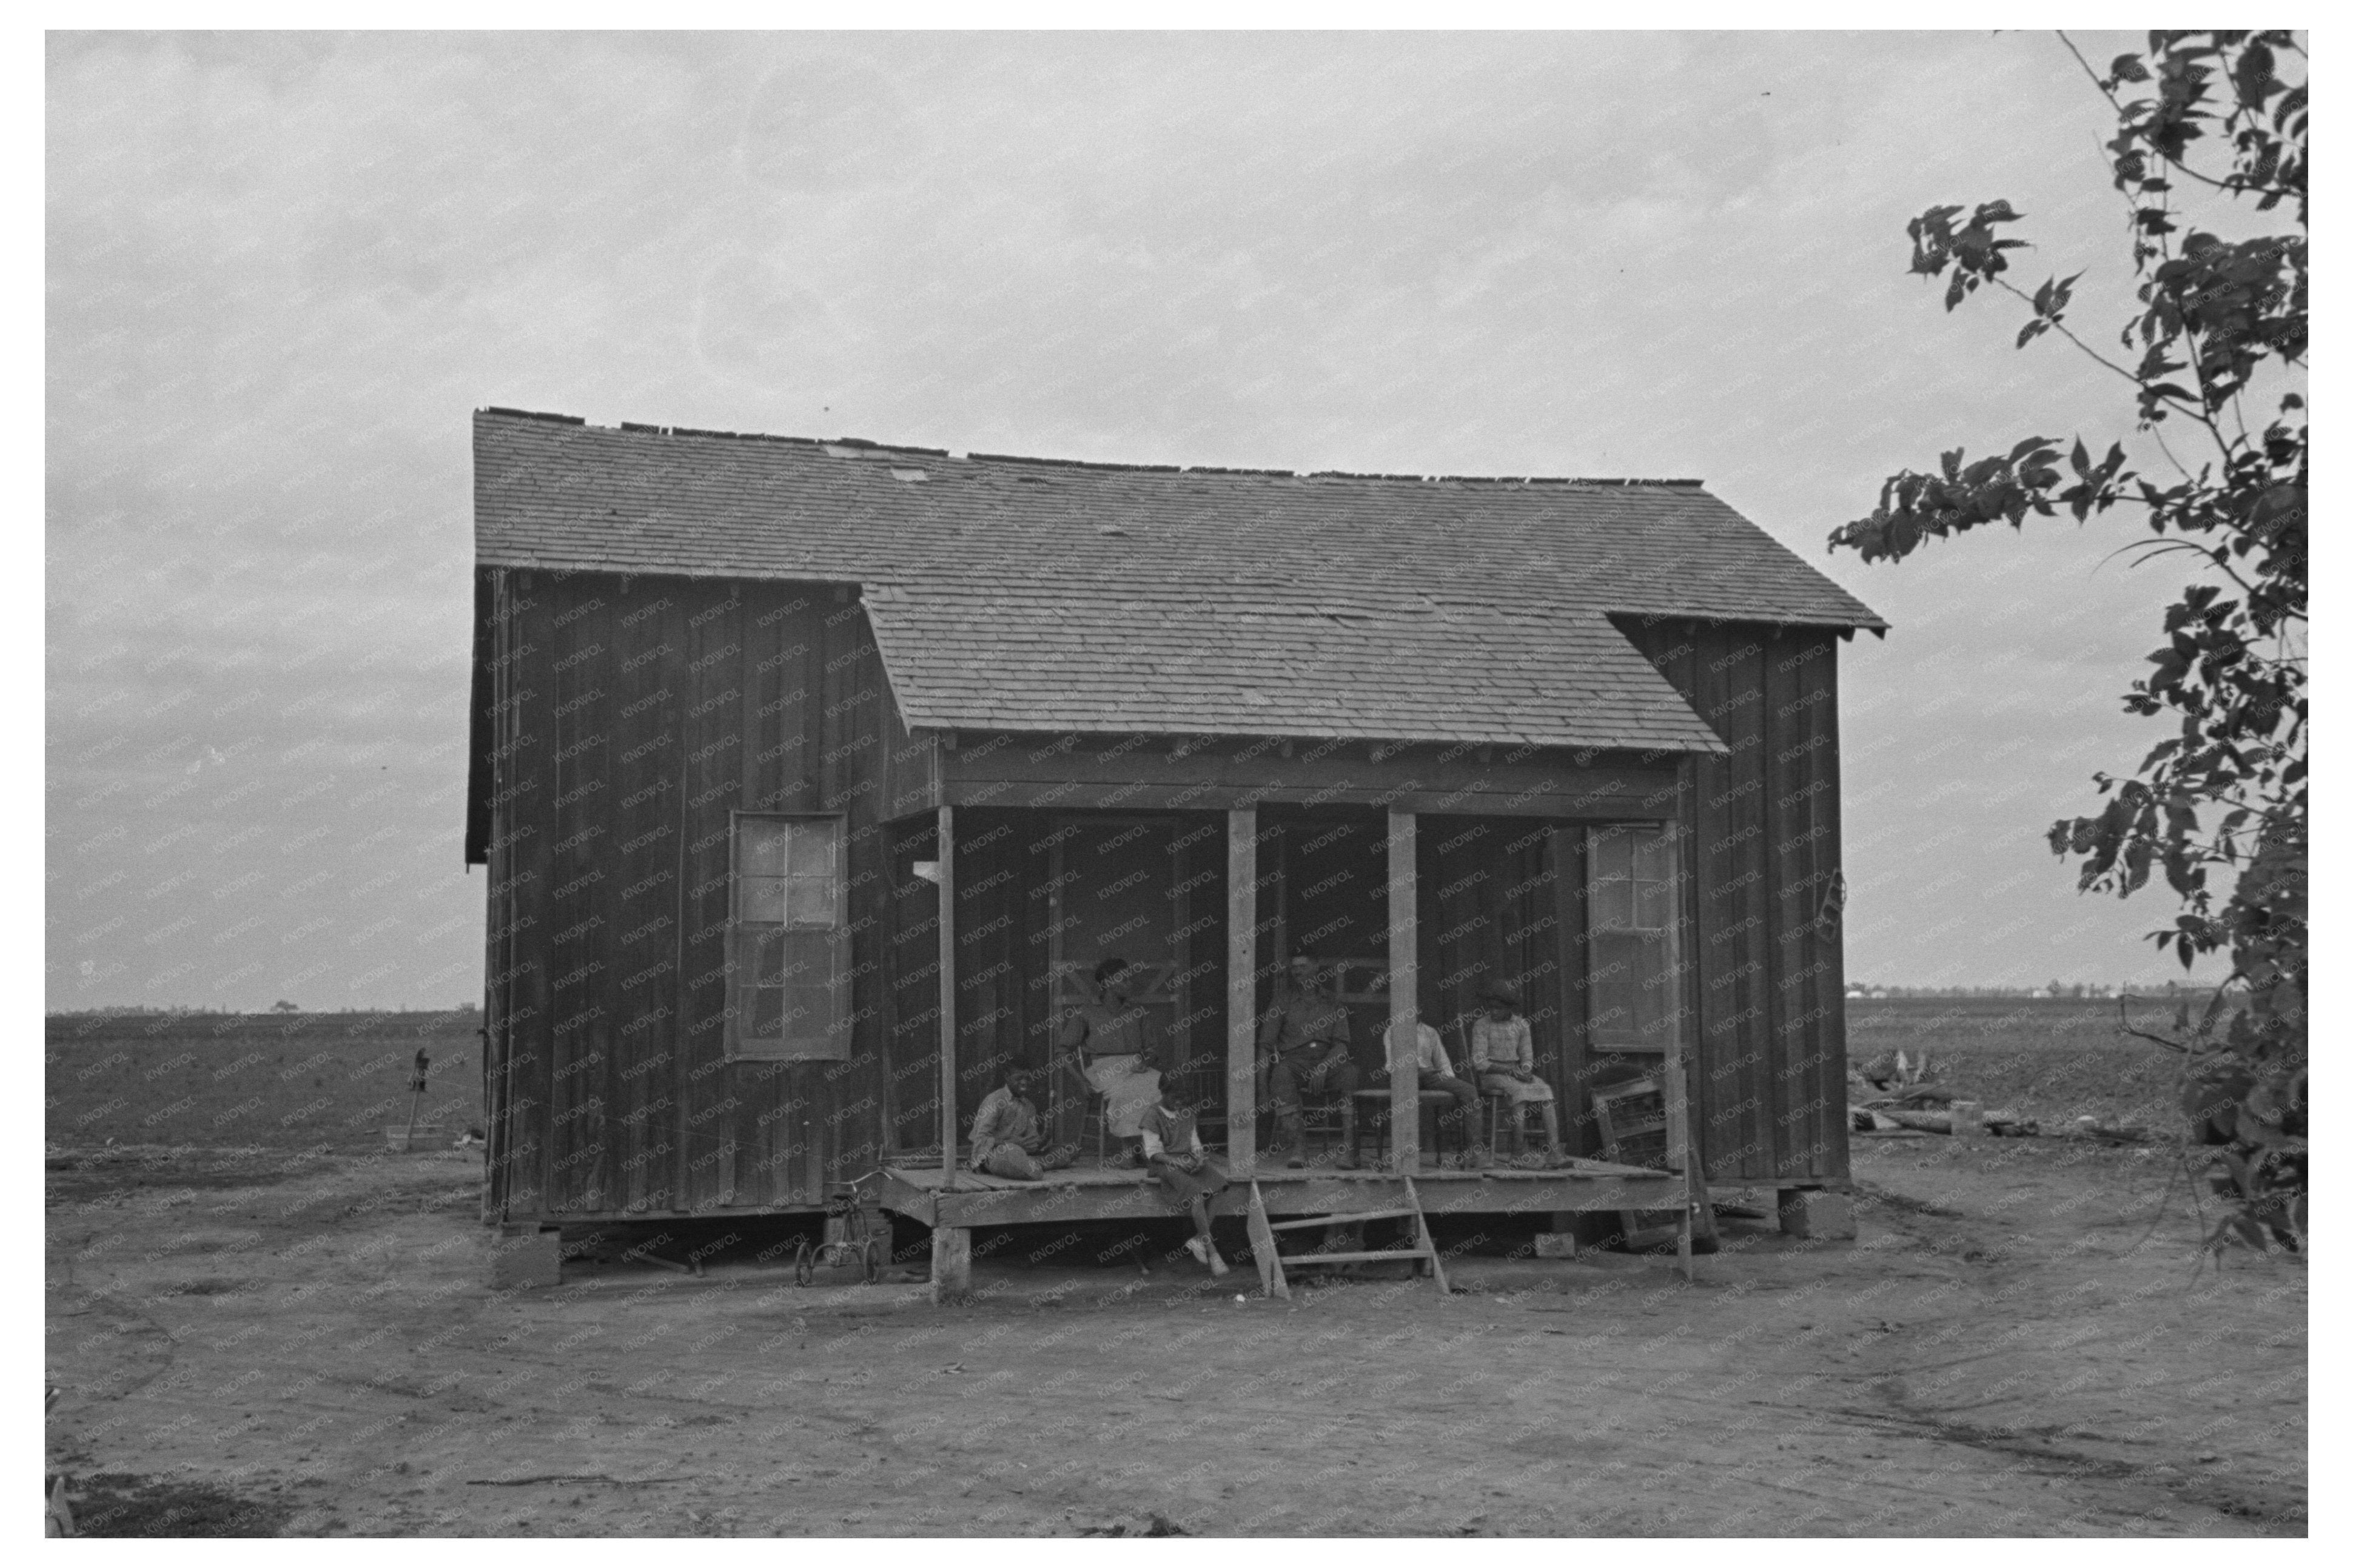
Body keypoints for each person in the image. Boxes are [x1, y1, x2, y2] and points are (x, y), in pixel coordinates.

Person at [1054, 956, 1165, 1164]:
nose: (1129, 984)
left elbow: (1152, 1049)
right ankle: (1128, 1150)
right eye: (1124, 980)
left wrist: (1146, 1062)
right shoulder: (1086, 1013)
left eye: (1130, 979)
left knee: (1161, 1086)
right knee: (1125, 1092)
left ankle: (1149, 1147)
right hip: (1103, 1068)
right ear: (1107, 984)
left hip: (1136, 1066)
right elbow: (1062, 1051)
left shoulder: (1137, 1012)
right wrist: (1081, 1082)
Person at [1256, 952, 1361, 1168]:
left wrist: (1324, 1066)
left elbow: (1342, 1044)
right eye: (1294, 968)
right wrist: (1262, 1091)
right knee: (1281, 1075)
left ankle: (1349, 1151)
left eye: (1303, 967)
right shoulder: (1281, 1001)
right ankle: (1298, 1150)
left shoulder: (1333, 1002)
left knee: (1350, 1073)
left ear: (1316, 968)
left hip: (1327, 1061)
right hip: (1294, 1062)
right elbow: (1266, 1046)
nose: (1297, 971)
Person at [1140, 1079, 1230, 1277]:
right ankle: (1212, 1251)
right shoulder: (1152, 1115)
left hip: (1187, 1159)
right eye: (1175, 1098)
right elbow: (1153, 1152)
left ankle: (1198, 1239)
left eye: (1184, 1099)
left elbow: (1194, 1141)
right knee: (1198, 1194)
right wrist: (1177, 1163)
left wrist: (1199, 1157)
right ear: (1163, 1093)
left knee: (1219, 1186)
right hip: (1164, 1163)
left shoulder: (1188, 1113)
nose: (1180, 1103)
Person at [1469, 984, 1567, 1164]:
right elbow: (1479, 1062)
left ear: (1509, 1008)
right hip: (1491, 1075)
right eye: (1491, 1007)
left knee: (1546, 1091)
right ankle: (1517, 1152)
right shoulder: (1482, 1025)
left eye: (1498, 1008)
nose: (1494, 1011)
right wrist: (1511, 1072)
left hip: (1516, 1072)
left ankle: (1554, 1151)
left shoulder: (1521, 1025)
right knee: (1519, 1093)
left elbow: (1527, 1057)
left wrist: (1526, 1071)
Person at [1380, 1015, 1490, 1168]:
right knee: (1406, 1098)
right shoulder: (1392, 1031)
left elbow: (1442, 1061)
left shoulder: (1429, 1032)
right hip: (1403, 1076)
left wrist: (1450, 1083)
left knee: (1469, 1092)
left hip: (1430, 1076)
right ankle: (1404, 1159)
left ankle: (1474, 1153)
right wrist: (1413, 1070)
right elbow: (1391, 1064)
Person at [968, 1065, 1079, 1181]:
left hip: (1021, 1153)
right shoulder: (996, 1100)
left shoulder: (1029, 1107)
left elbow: (1033, 1146)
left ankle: (1029, 1164)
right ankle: (1032, 1165)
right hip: (994, 1152)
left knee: (1070, 1150)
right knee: (1014, 1153)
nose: (1024, 1082)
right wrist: (1013, 1144)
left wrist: (1047, 1135)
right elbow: (981, 1138)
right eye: (1019, 1078)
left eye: (1027, 1078)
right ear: (1007, 1077)